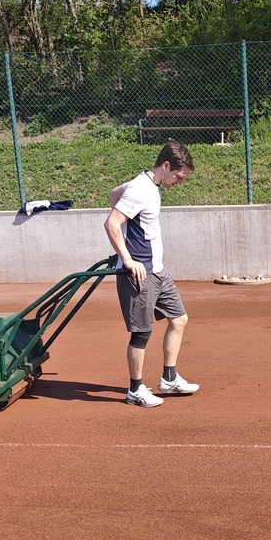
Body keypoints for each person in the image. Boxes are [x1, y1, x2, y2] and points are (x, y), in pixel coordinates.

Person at [104, 141, 201, 407]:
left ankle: (169, 378)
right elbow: (112, 222)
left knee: (179, 319)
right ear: (166, 166)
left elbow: (114, 193)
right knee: (141, 333)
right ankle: (135, 390)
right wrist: (127, 259)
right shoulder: (140, 189)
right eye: (179, 177)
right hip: (139, 274)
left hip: (157, 271)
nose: (179, 183)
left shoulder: (145, 186)